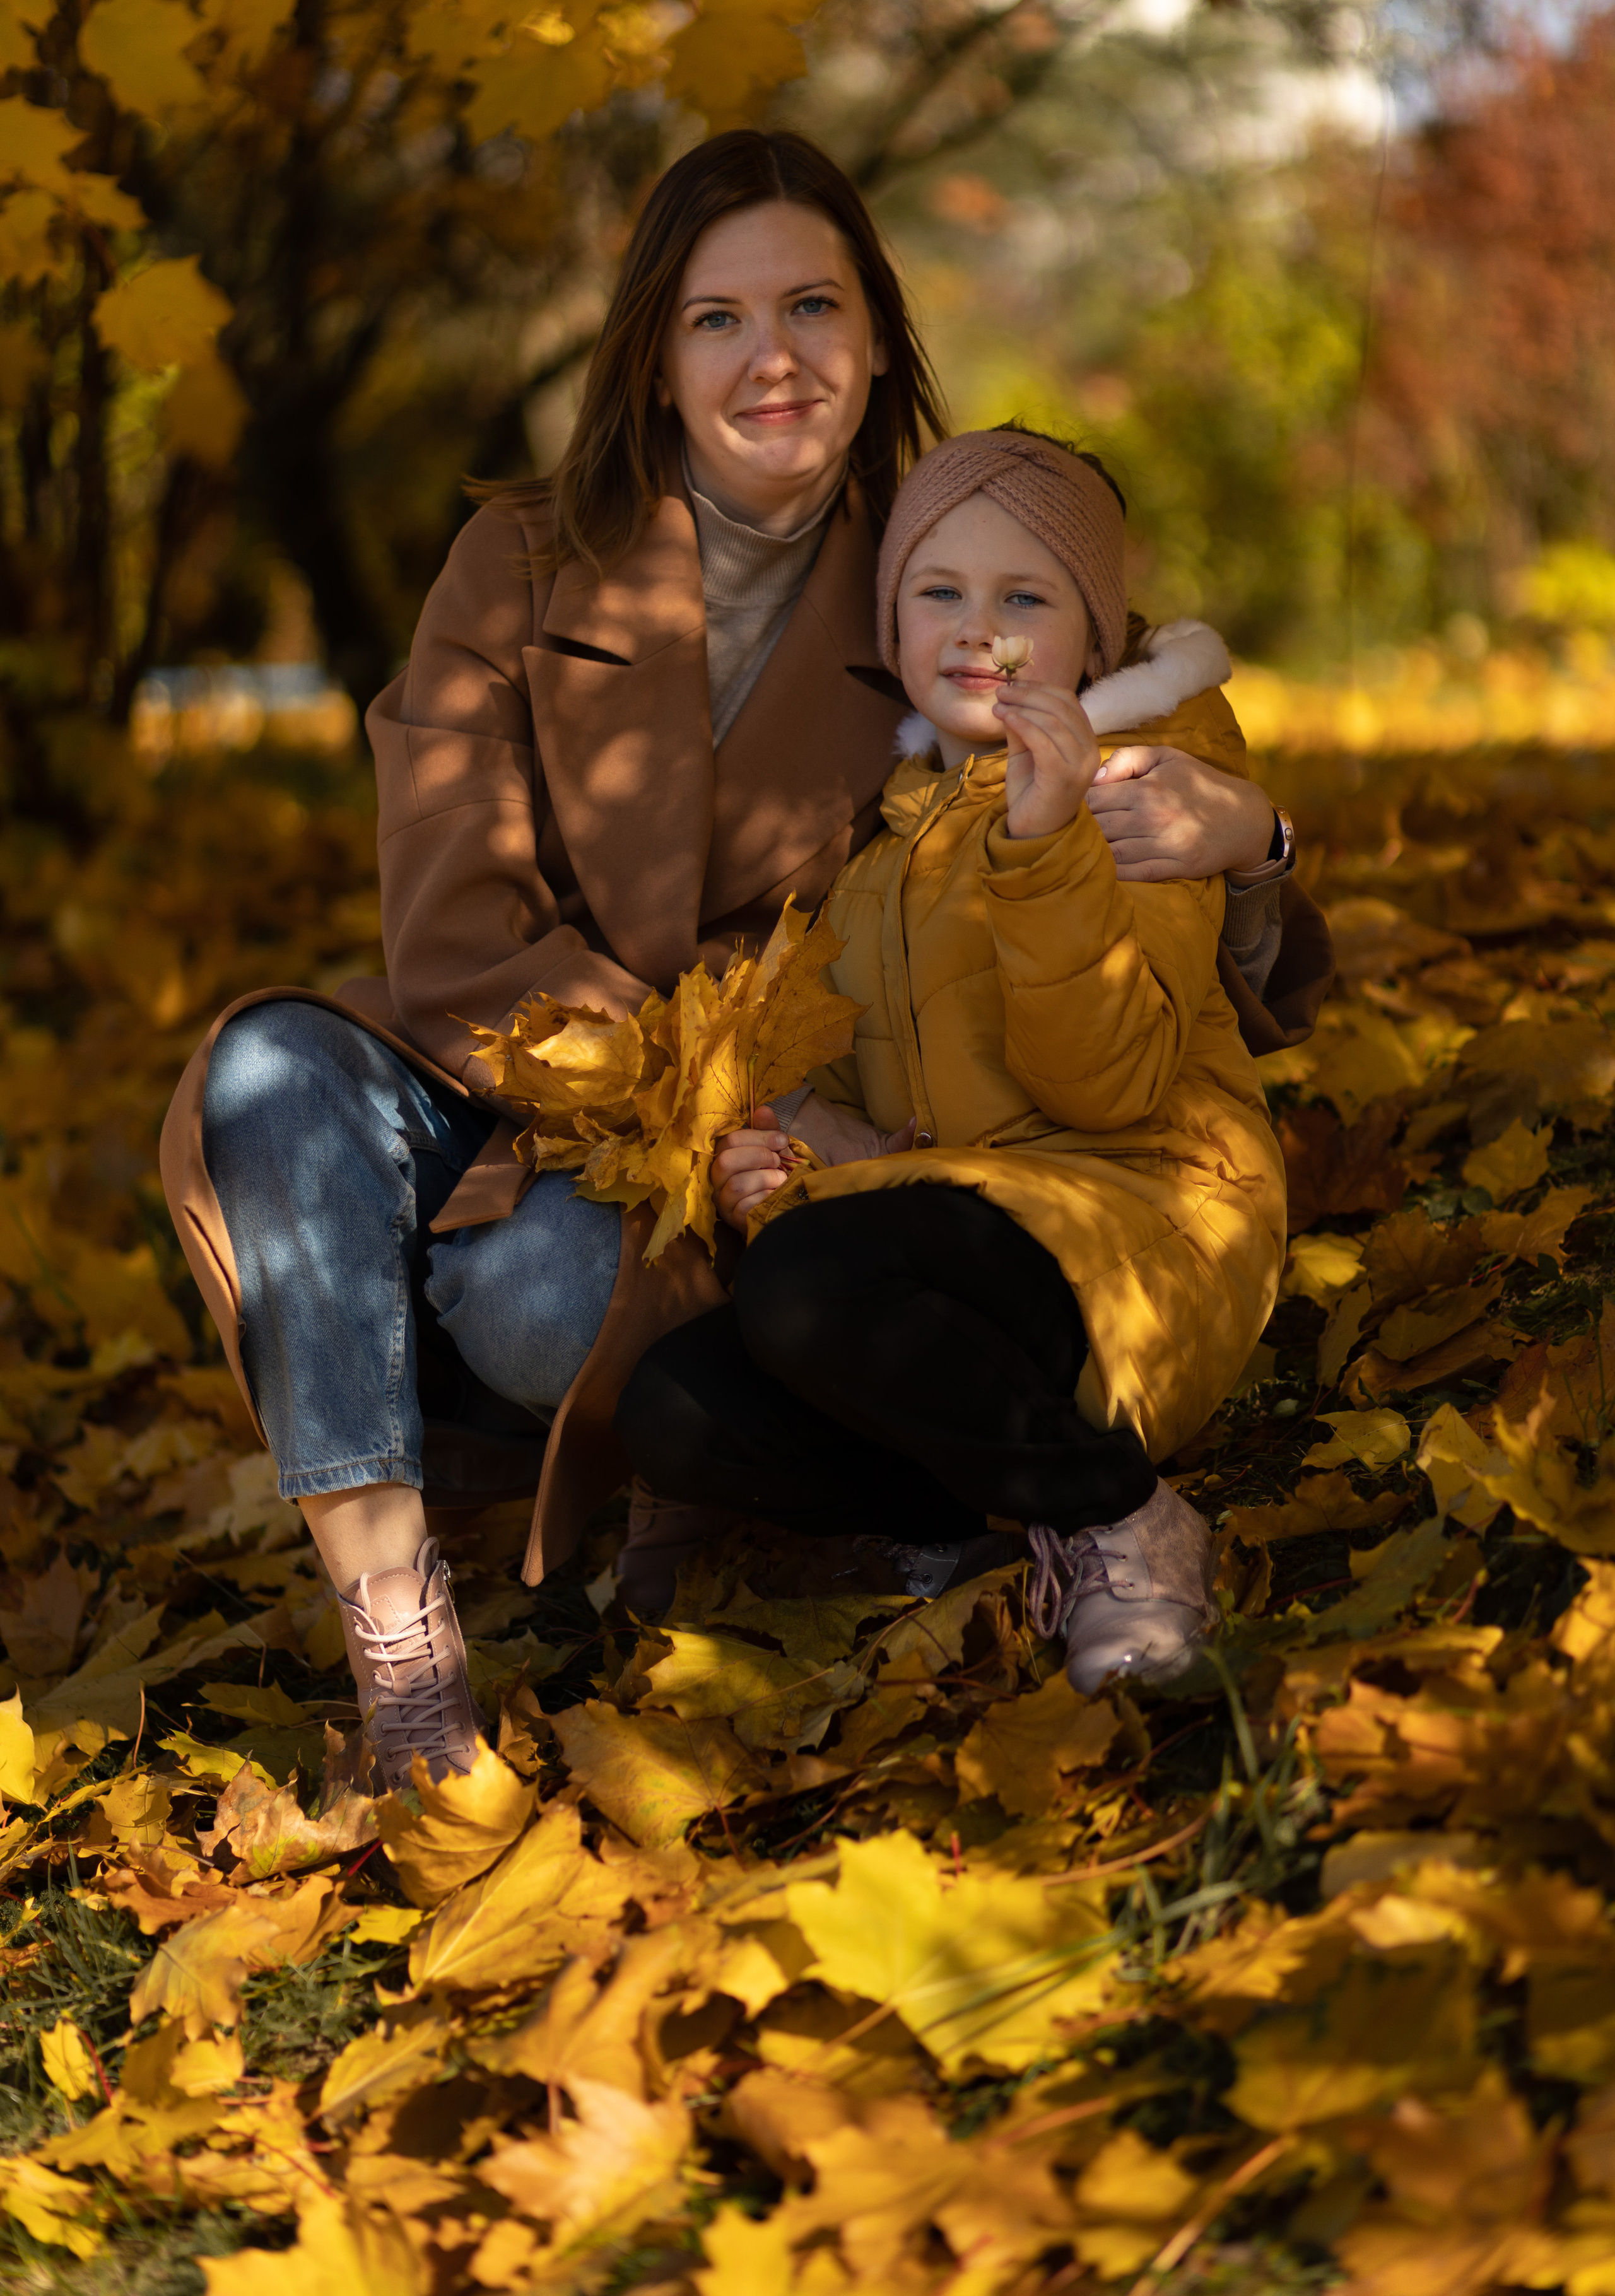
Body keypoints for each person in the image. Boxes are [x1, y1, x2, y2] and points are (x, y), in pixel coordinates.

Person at [160, 131, 1329, 1789]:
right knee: (268, 1072)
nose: (772, 357)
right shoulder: (517, 564)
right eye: (716, 317)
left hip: (755, 1177)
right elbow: (448, 936)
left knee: (536, 1296)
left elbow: (1155, 825)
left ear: (877, 337)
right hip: (521, 1082)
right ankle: (405, 1660)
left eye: (813, 306)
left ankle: (788, 1503)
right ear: (651, 349)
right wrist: (674, 1089)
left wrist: (1258, 841)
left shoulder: (941, 582)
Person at [616, 427, 1289, 1693]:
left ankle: (1120, 1522)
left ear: (1091, 639)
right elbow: (873, 1105)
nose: (976, 632)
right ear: (892, 620)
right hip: (963, 1230)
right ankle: (953, 1537)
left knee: (811, 1284)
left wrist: (1045, 843)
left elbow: (1113, 1087)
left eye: (1023, 599)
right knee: (673, 1406)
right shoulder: (884, 838)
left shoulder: (1136, 778)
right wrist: (795, 1151)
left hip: (1139, 1222)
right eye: (940, 594)